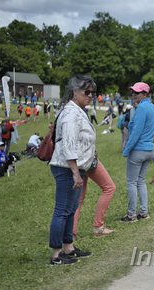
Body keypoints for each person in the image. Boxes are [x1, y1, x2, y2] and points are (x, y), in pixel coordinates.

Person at [48, 75, 97, 265]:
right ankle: (56, 254)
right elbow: (68, 146)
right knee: (62, 210)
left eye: (93, 92)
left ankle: (68, 247)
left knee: (70, 209)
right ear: (75, 91)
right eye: (87, 92)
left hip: (74, 168)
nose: (91, 95)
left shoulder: (78, 110)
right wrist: (76, 172)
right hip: (67, 168)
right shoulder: (70, 114)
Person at [120, 82, 154, 222]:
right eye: (133, 92)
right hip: (150, 150)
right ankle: (144, 212)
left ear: (145, 93)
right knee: (141, 181)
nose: (133, 95)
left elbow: (135, 132)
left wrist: (127, 150)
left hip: (138, 150)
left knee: (132, 182)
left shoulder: (141, 108)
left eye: (137, 92)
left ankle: (131, 215)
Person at [73, 159, 116, 237]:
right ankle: (98, 227)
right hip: (87, 159)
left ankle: (71, 233)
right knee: (109, 188)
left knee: (78, 198)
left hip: (73, 161)